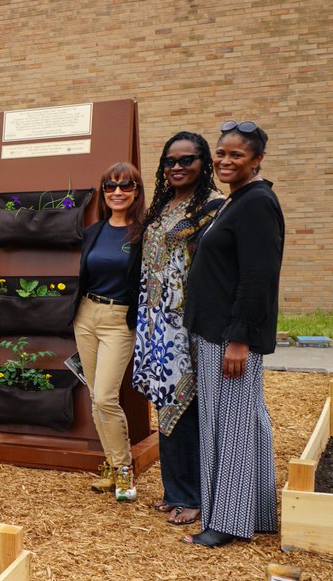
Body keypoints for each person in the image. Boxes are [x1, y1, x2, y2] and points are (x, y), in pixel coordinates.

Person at [183, 120, 283, 548]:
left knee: (234, 426)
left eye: (236, 155)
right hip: (214, 331)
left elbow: (258, 277)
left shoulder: (257, 203)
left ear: (256, 160)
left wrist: (240, 338)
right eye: (221, 153)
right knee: (243, 421)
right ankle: (255, 511)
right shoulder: (235, 200)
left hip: (230, 336)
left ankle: (226, 523)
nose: (225, 161)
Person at [133, 133, 223, 527]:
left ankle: (196, 495)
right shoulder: (163, 206)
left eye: (187, 160)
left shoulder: (213, 207)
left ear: (203, 163)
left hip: (185, 322)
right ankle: (174, 492)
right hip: (154, 320)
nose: (177, 167)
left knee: (186, 406)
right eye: (170, 161)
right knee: (165, 406)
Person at [71, 162, 145, 502]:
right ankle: (112, 467)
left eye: (125, 186)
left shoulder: (144, 233)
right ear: (103, 193)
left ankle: (124, 469)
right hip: (86, 316)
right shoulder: (94, 232)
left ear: (136, 191)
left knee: (105, 397)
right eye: (110, 187)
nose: (117, 192)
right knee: (94, 398)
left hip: (119, 320)